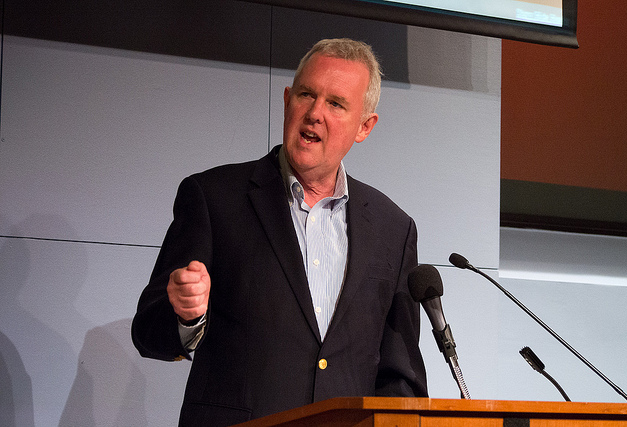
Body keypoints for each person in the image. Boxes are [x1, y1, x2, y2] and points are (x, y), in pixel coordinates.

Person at [132, 38, 427, 426]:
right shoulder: (214, 198)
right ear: (288, 99)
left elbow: (399, 374)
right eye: (307, 94)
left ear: (364, 126)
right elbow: (148, 333)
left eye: (336, 103)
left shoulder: (393, 228)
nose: (315, 113)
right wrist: (185, 317)